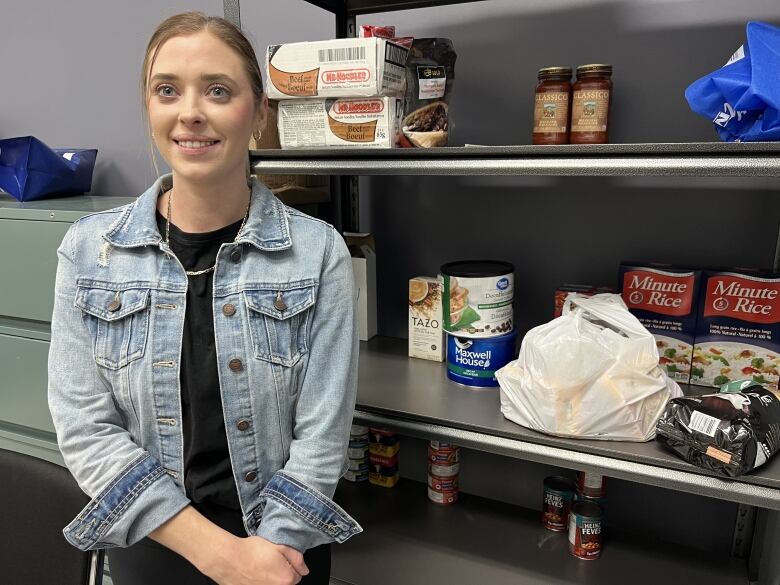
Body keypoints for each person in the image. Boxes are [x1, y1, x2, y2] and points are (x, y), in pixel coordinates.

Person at [47, 12, 360, 585]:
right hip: (156, 545)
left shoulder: (318, 254)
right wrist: (220, 556)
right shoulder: (89, 252)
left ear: (259, 113)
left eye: (218, 90)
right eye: (168, 90)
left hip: (283, 554)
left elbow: (324, 433)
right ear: (150, 108)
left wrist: (266, 555)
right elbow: (86, 427)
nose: (190, 111)